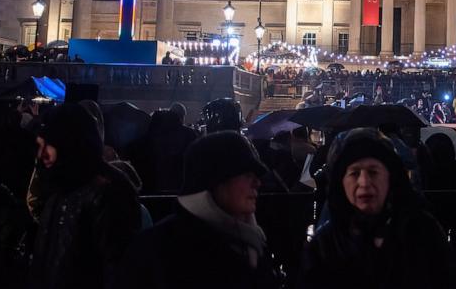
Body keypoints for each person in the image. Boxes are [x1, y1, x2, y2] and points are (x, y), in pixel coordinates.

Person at [113, 131, 282, 289]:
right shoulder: (160, 250)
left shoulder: (254, 241)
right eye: (247, 175)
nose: (257, 183)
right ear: (215, 179)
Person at [299, 128, 456, 288]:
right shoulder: (325, 246)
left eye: (373, 172)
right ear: (341, 182)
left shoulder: (424, 234)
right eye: (354, 173)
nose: (364, 182)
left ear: (390, 176)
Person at [30, 103, 141, 289]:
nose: (42, 154)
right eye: (40, 145)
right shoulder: (62, 185)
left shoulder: (108, 192)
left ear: (69, 143)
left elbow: (118, 270)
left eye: (49, 146)